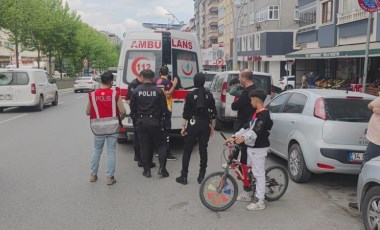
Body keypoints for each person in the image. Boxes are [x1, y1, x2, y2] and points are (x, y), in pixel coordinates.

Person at [225, 89, 273, 211]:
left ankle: (260, 201)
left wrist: (243, 137)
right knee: (246, 169)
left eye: (251, 99)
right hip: (251, 147)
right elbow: (247, 126)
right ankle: (249, 192)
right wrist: (234, 136)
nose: (250, 101)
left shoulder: (264, 115)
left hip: (259, 147)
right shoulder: (256, 113)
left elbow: (255, 130)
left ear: (257, 100)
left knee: (258, 174)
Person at [175, 73, 217, 185]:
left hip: (193, 124)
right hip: (205, 125)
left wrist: (183, 127)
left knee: (187, 150)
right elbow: (213, 112)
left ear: (194, 81)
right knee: (203, 150)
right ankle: (201, 176)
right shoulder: (209, 95)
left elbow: (186, 114)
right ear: (204, 81)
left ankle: (184, 176)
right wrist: (212, 126)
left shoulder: (190, 95)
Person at [87, 71, 126, 185]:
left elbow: (87, 111)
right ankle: (110, 178)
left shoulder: (93, 95)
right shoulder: (115, 94)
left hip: (98, 129)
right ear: (111, 82)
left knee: (97, 151)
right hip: (113, 128)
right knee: (111, 152)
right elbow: (123, 111)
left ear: (101, 81)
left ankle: (93, 175)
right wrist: (120, 118)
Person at [130, 69, 169, 178]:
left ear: (142, 76)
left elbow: (132, 108)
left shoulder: (136, 91)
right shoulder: (158, 91)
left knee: (144, 146)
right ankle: (162, 168)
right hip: (155, 122)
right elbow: (164, 108)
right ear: (153, 78)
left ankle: (146, 170)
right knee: (161, 145)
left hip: (141, 122)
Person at [349, 96, 380, 209]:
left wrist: (375, 107)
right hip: (376, 141)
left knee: (365, 171)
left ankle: (362, 202)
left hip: (376, 143)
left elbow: (370, 105)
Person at [126, 70, 155, 168]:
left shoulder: (151, 84)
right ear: (141, 76)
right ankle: (138, 156)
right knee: (138, 137)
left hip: (148, 115)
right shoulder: (133, 85)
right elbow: (128, 99)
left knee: (148, 137)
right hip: (138, 115)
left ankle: (146, 158)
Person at [230, 70, 257, 166]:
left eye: (240, 77)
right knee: (244, 146)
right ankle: (241, 166)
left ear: (244, 78)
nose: (239, 79)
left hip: (244, 122)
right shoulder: (255, 88)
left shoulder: (247, 92)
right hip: (250, 121)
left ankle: (241, 167)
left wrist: (235, 102)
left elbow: (234, 106)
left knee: (240, 144)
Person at [155, 66, 178, 161]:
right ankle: (167, 153)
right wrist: (174, 85)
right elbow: (168, 94)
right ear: (167, 73)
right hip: (166, 109)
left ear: (160, 73)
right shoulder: (167, 82)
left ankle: (159, 151)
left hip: (157, 108)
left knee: (159, 131)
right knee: (166, 132)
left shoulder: (155, 81)